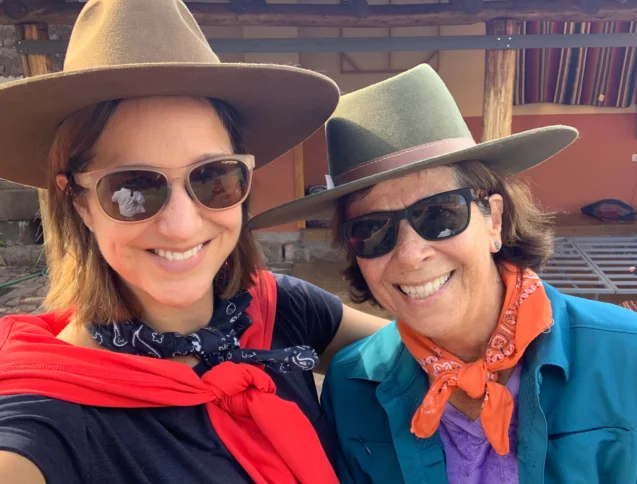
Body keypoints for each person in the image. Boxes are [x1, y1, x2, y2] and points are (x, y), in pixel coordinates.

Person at [0, 1, 387, 483]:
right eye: (133, 189)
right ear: (78, 202)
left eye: (213, 176)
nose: (182, 226)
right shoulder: (46, 419)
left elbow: (428, 350)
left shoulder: (278, 309)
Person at [248, 64, 637, 483]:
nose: (411, 254)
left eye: (439, 214)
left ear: (494, 219)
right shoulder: (352, 384)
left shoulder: (627, 357)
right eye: (372, 230)